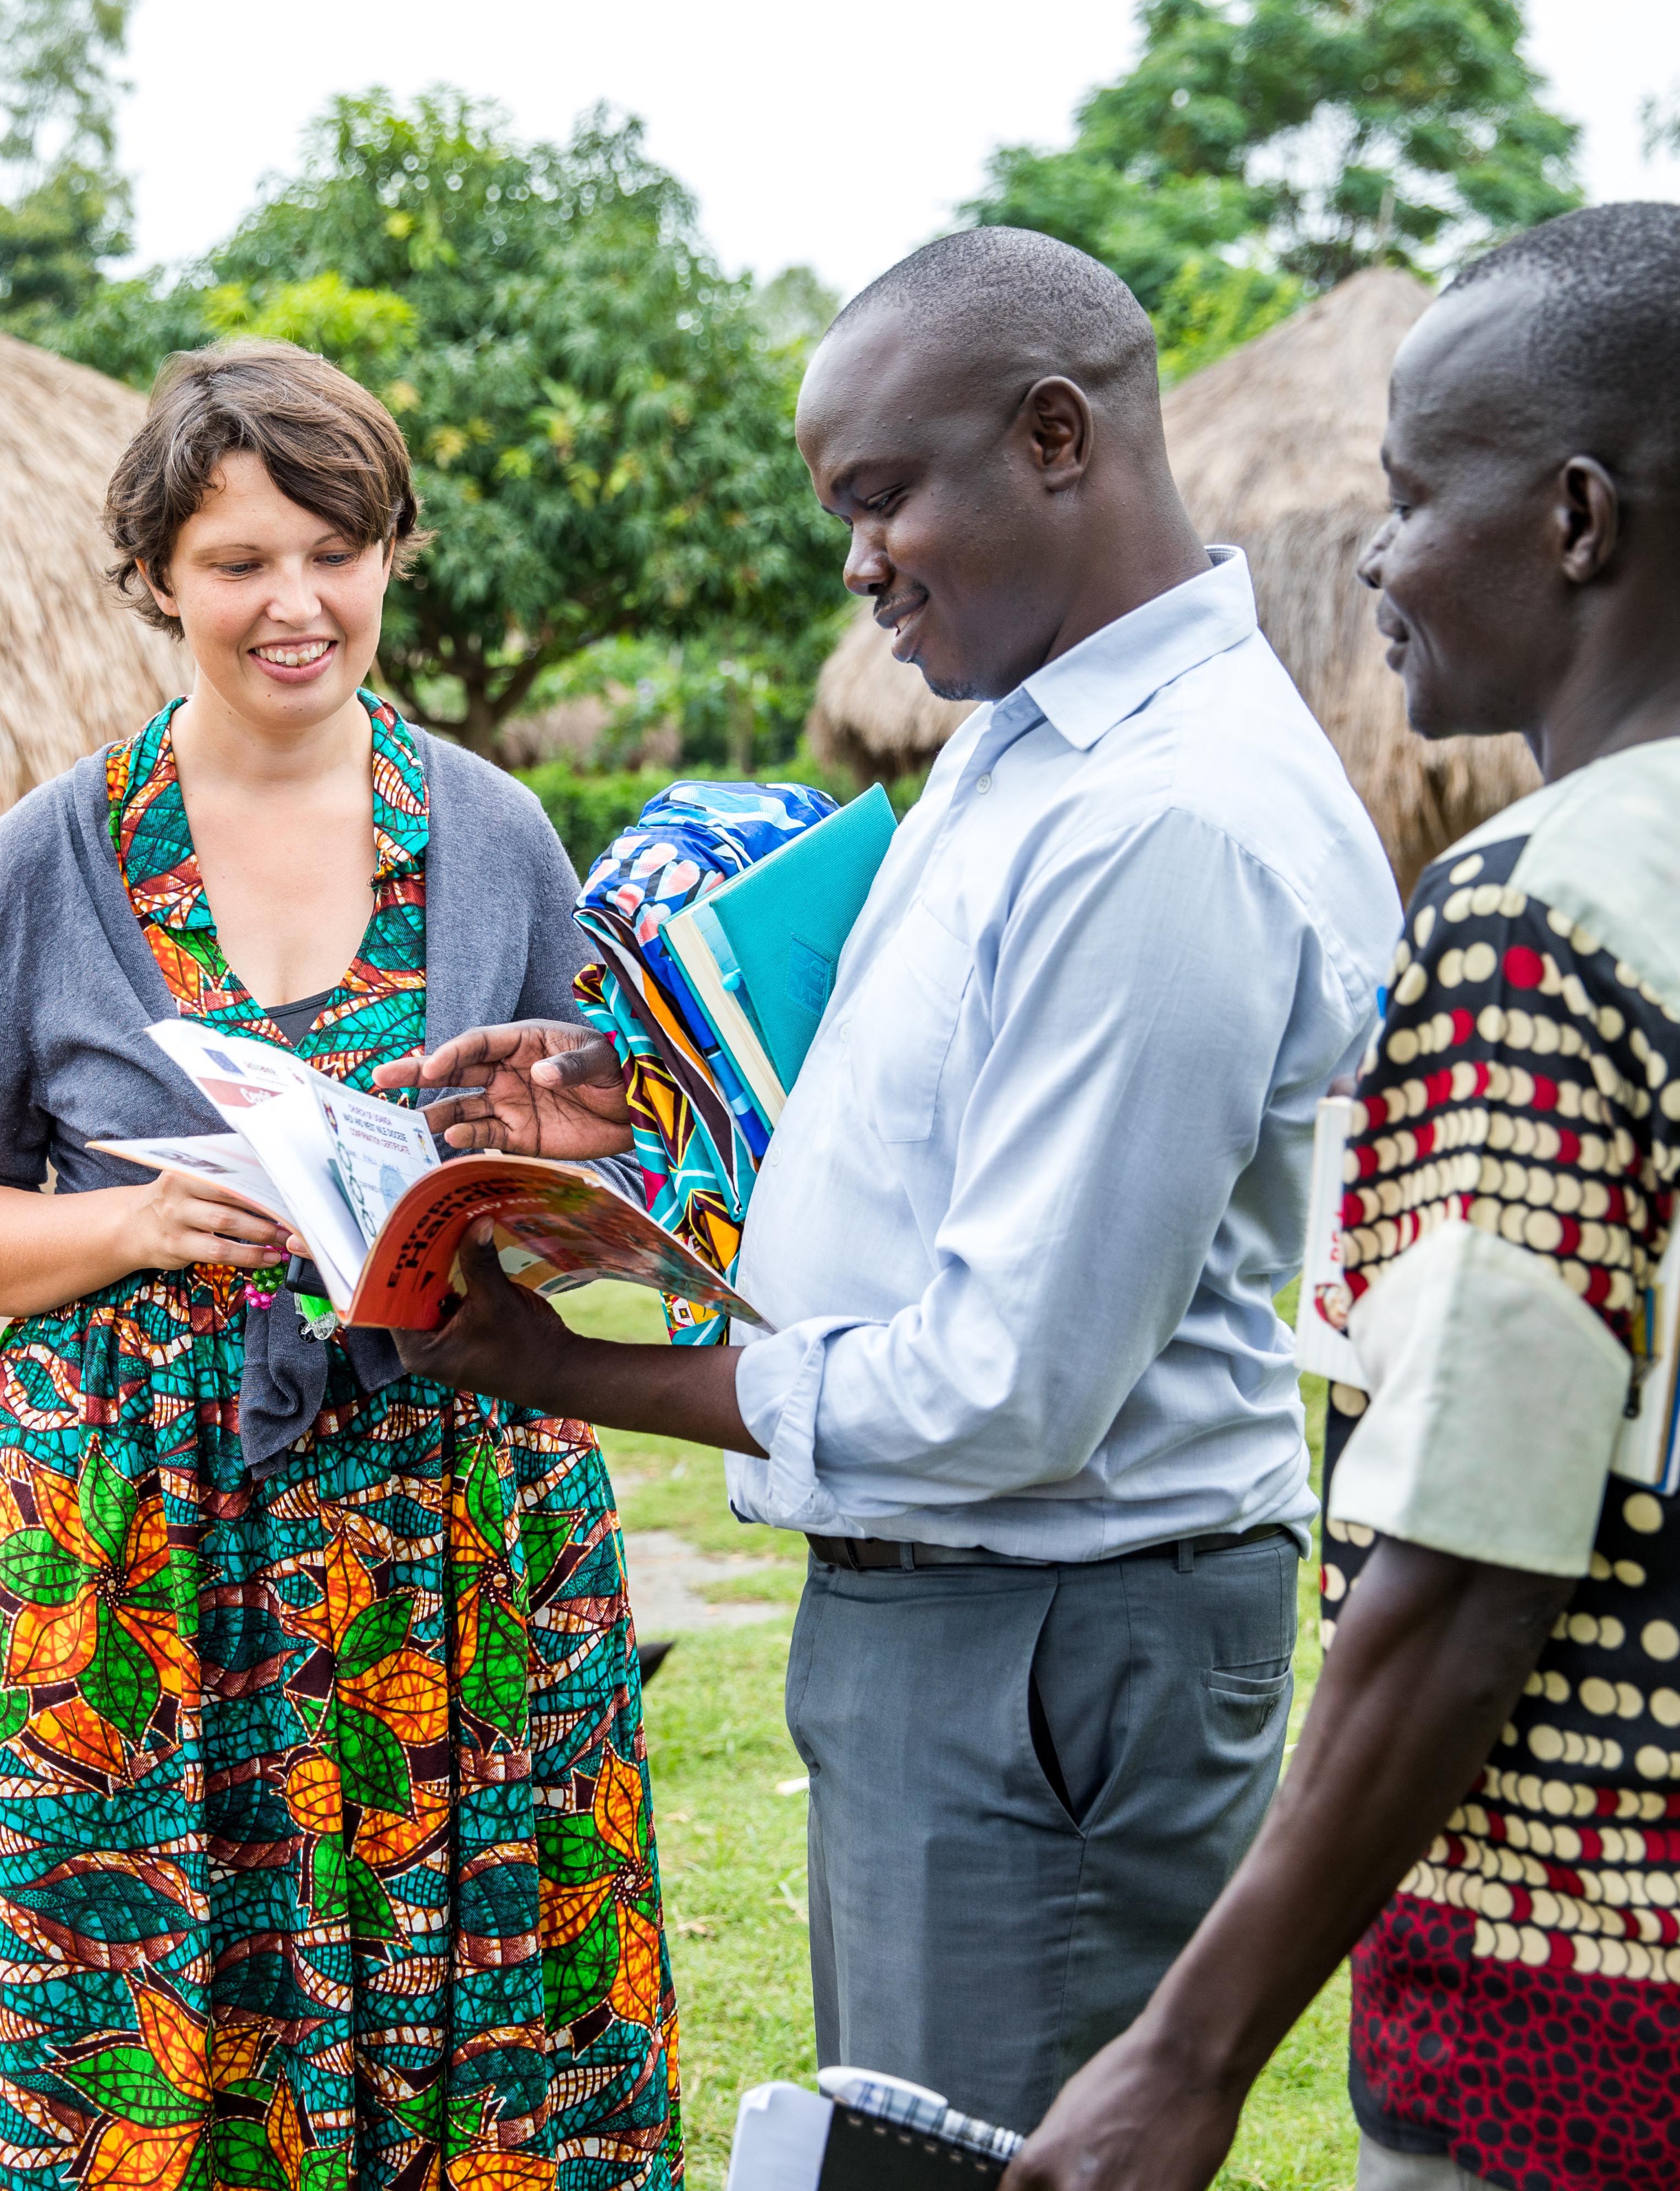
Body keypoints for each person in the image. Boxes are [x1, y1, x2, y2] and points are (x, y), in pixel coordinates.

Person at [380, 228, 1401, 2132]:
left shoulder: (1158, 822)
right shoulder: (1024, 746)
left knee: (966, 2165)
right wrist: (642, 1093)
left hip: (1046, 1639)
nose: (854, 563)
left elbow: (1006, 1387)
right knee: (904, 2151)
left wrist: (549, 1370)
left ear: (1053, 435)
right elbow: (924, 1108)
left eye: (879, 498)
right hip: (976, 1623)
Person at [0, 339, 680, 2191]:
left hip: (452, 1525)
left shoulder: (493, 836)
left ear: (391, 552)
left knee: (482, 2059)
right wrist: (133, 1226)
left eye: (336, 550)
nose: (294, 604)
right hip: (128, 1550)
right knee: (137, 2074)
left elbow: (587, 1167)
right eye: (240, 562)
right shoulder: (55, 855)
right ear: (160, 576)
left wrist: (554, 1170)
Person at [1006, 201, 1680, 2191]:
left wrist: (1191, 2052)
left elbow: (1469, 1561)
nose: (1375, 554)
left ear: (1576, 521)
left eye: (1410, 496)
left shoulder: (1543, 919)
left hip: (1585, 2014)